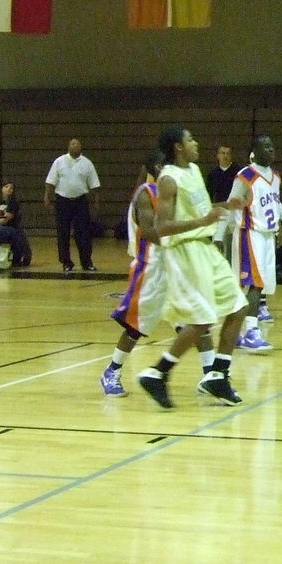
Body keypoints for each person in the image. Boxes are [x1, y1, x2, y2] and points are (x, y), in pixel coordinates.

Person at [136, 126, 248, 409]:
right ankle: (157, 373)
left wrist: (225, 204)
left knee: (238, 307)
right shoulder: (168, 180)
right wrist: (204, 221)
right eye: (190, 139)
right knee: (202, 319)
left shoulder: (195, 170)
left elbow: (199, 210)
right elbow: (162, 227)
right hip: (185, 251)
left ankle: (218, 376)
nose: (196, 143)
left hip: (206, 248)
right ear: (178, 147)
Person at [101, 151, 215, 397]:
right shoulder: (146, 193)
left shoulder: (174, 191)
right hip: (151, 266)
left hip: (176, 264)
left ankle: (211, 376)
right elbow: (151, 231)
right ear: (153, 167)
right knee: (135, 327)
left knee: (196, 320)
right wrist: (186, 237)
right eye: (162, 164)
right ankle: (112, 370)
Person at [228, 134, 282, 352]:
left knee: (258, 285)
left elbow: (276, 204)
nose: (271, 150)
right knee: (255, 284)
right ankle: (251, 332)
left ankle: (235, 333)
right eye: (266, 147)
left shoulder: (275, 175)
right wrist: (236, 230)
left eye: (272, 147)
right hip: (250, 234)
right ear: (255, 151)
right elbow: (233, 205)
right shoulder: (246, 175)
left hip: (268, 235)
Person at [44, 137, 101, 272]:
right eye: (72, 144)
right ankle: (66, 262)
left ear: (80, 147)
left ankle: (86, 262)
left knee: (83, 233)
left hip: (80, 201)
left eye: (77, 144)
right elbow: (50, 181)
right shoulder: (59, 161)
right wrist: (47, 197)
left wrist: (96, 201)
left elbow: (94, 185)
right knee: (63, 232)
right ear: (68, 147)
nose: (74, 146)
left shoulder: (87, 163)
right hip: (62, 201)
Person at [205, 145, 242, 258]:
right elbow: (208, 195)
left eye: (227, 153)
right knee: (218, 242)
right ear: (218, 156)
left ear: (231, 156)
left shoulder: (238, 172)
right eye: (222, 153)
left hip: (236, 211)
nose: (225, 156)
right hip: (220, 211)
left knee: (236, 246)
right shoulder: (213, 174)